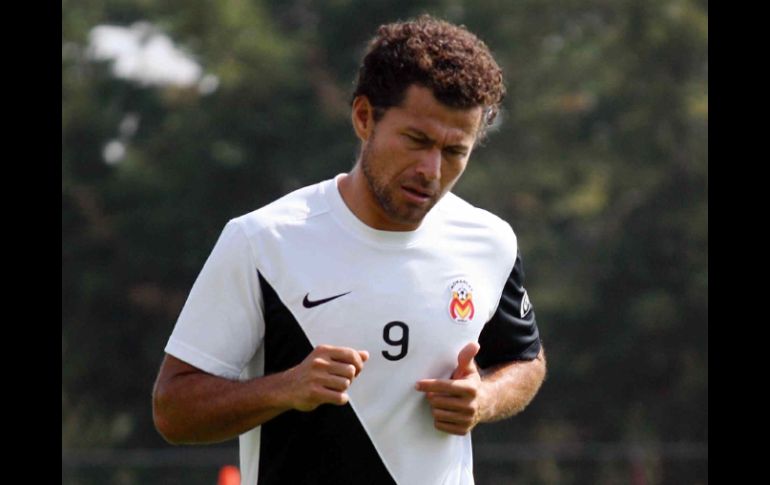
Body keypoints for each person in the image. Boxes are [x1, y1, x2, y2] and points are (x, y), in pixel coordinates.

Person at [152, 14, 546, 485]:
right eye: (416, 140)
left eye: (454, 151)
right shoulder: (263, 240)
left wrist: (484, 398)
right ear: (364, 118)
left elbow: (525, 361)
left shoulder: (490, 241)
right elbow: (173, 410)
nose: (431, 169)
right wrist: (284, 389)